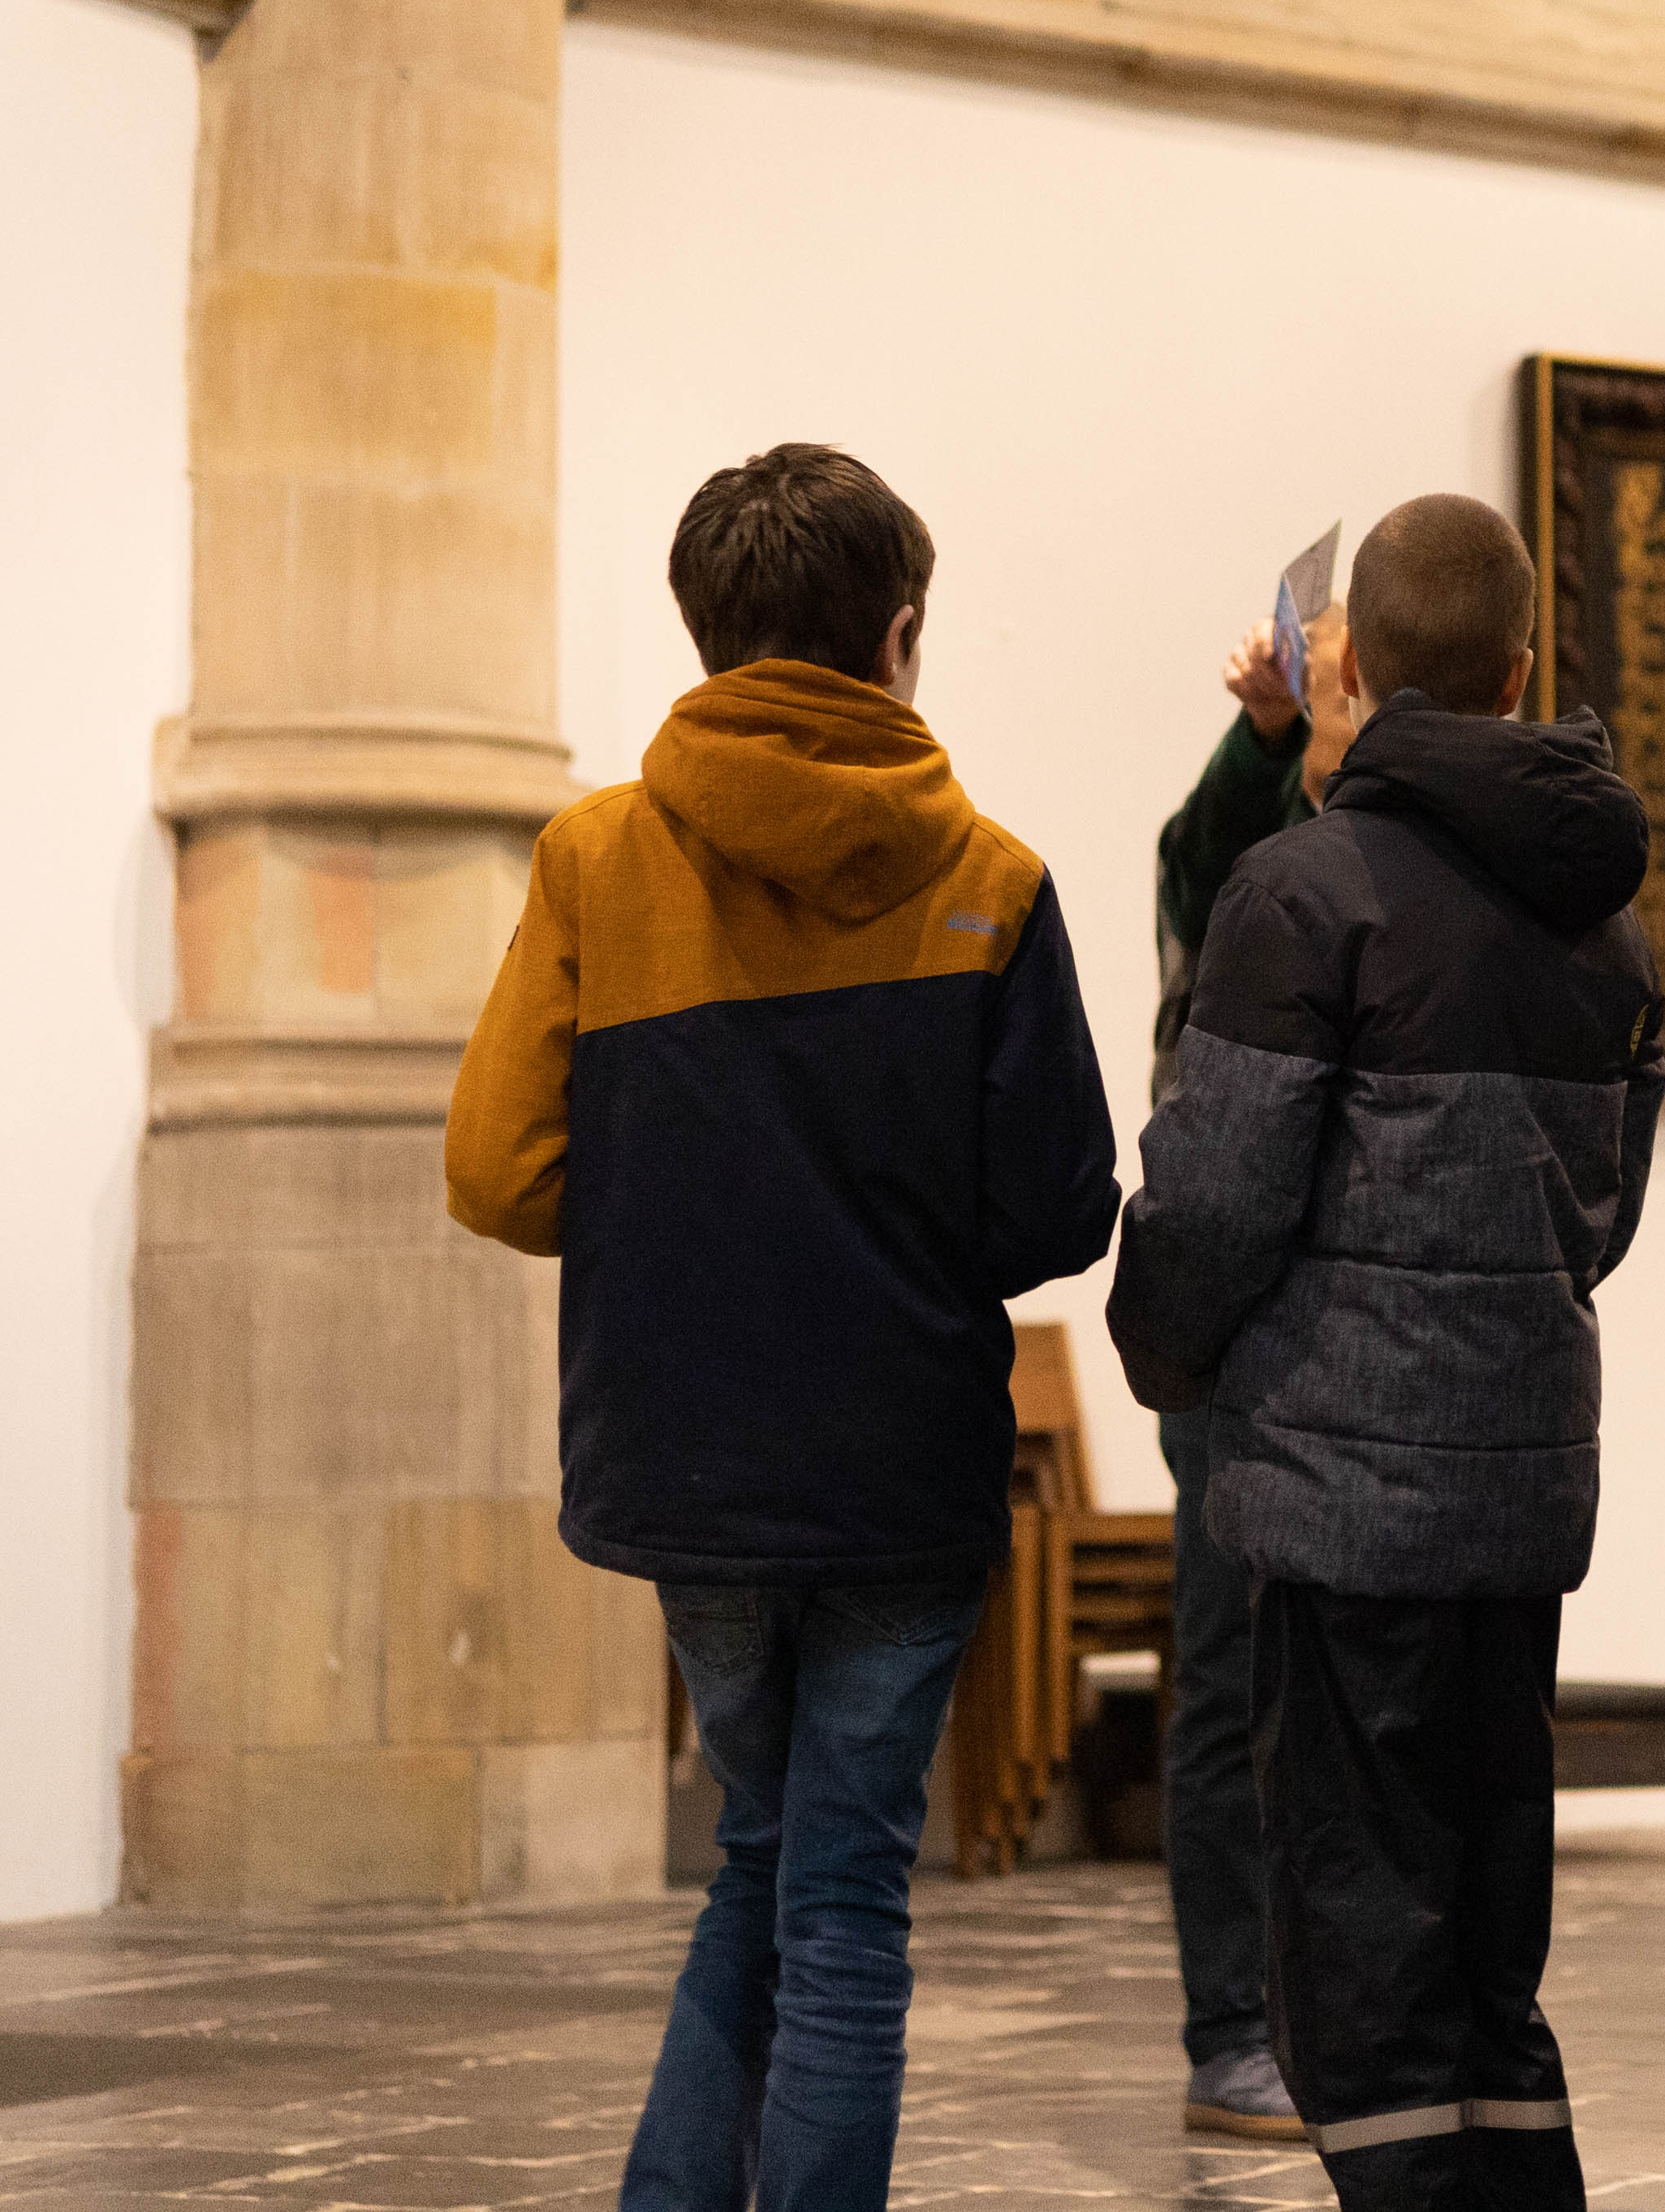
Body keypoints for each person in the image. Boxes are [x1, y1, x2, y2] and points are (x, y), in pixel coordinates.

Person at [442, 442, 1125, 2212]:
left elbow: (500, 1172)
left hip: (688, 1458)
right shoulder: (990, 880)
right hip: (900, 1467)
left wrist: (685, 1201)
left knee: (760, 1857)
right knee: (838, 1895)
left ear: (702, 635)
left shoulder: (599, 857)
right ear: (900, 634)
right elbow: (1056, 1210)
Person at [1106, 493, 1665, 2210]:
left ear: (1356, 664)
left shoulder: (1308, 892)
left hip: (1344, 1505)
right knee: (1491, 1973)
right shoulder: (1608, 919)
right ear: (1518, 670)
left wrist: (1166, 1354)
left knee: (1362, 1975)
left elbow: (1214, 1200)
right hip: (1514, 1498)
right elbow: (1604, 1215)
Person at [1141, 598, 1360, 2147]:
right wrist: (1268, 735)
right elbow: (1194, 862)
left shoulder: (1417, 855)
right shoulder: (1259, 855)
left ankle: (1343, 2012)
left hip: (1368, 1338)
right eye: (1339, 677)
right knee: (1229, 1677)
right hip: (1235, 1347)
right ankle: (1232, 2024)